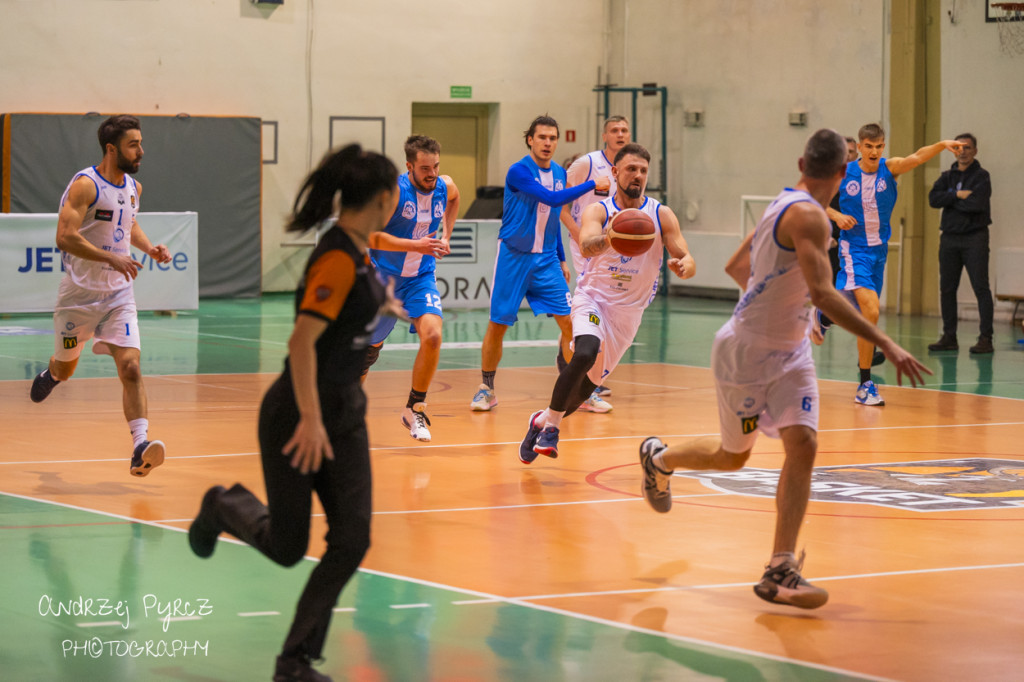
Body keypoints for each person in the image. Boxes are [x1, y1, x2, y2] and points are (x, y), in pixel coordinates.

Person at [638, 129, 931, 609]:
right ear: (843, 172)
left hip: (790, 350)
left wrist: (786, 308)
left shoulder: (781, 202)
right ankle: (660, 459)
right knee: (734, 457)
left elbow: (737, 267)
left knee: (805, 444)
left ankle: (780, 568)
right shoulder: (810, 217)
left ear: (801, 161)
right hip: (748, 353)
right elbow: (823, 292)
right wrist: (885, 343)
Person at [189, 144, 401, 682]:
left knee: (352, 540)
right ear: (383, 197)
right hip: (298, 413)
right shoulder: (335, 254)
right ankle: (223, 505)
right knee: (288, 548)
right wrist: (309, 419)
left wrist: (382, 306)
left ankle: (295, 661)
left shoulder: (360, 251)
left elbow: (343, 318)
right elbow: (302, 343)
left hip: (345, 412)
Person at [520, 143, 695, 462]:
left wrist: (685, 265)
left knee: (580, 395)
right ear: (615, 172)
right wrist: (610, 238)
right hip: (594, 298)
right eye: (631, 169)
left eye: (643, 170)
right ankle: (552, 432)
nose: (637, 175)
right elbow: (586, 245)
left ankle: (541, 420)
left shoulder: (660, 214)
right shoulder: (598, 211)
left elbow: (685, 254)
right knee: (585, 352)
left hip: (628, 314)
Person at [29, 114, 172, 477]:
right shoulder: (85, 185)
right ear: (112, 148)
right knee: (67, 366)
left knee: (131, 366)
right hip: (78, 297)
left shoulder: (133, 189)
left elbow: (129, 222)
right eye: (133, 144)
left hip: (118, 296)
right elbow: (64, 236)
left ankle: (140, 446)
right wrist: (112, 256)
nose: (142, 150)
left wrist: (148, 248)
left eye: (140, 142)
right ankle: (55, 374)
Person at [470, 115, 610, 411]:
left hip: (546, 260)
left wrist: (560, 257)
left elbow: (552, 218)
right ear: (530, 140)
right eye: (542, 137)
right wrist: (590, 184)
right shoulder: (519, 171)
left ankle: (579, 390)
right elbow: (551, 197)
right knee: (498, 324)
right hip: (514, 256)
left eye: (552, 138)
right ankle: (487, 388)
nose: (548, 143)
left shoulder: (559, 171)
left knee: (571, 324)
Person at [824, 123, 960, 406]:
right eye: (869, 146)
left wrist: (941, 144)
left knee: (853, 311)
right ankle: (865, 385)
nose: (874, 152)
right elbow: (812, 199)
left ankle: (823, 318)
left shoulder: (890, 169)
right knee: (870, 311)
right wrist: (835, 216)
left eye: (879, 146)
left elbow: (918, 157)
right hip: (853, 250)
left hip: (878, 252)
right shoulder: (843, 173)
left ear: (883, 147)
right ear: (859, 147)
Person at [361, 135, 460, 441]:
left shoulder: (445, 186)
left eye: (436, 166)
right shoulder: (393, 193)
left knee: (432, 335)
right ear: (410, 167)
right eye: (425, 168)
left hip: (420, 278)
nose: (432, 173)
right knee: (366, 354)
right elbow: (371, 237)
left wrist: (447, 235)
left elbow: (454, 199)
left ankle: (413, 408)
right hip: (384, 280)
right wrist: (416, 244)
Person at [557, 115, 633, 412]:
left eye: (624, 130)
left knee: (608, 310)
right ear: (604, 135)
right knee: (593, 304)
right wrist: (578, 237)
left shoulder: (631, 169)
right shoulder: (585, 164)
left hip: (616, 250)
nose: (620, 134)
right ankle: (585, 385)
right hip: (587, 247)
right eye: (614, 130)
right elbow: (561, 204)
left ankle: (584, 373)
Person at [812, 137, 887, 366]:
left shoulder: (864, 175)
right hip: (833, 246)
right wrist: (833, 223)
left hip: (861, 247)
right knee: (848, 302)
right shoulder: (831, 177)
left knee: (864, 304)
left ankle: (866, 352)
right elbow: (815, 204)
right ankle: (821, 318)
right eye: (844, 152)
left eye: (852, 152)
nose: (848, 156)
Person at [927, 133, 994, 355]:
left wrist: (951, 200)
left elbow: (977, 203)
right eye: (958, 147)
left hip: (975, 237)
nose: (963, 151)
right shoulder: (947, 176)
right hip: (949, 238)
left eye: (967, 147)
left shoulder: (982, 177)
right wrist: (958, 195)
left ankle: (985, 338)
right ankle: (949, 336)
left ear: (975, 151)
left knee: (980, 287)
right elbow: (933, 199)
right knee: (947, 288)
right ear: (953, 151)